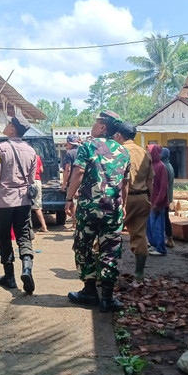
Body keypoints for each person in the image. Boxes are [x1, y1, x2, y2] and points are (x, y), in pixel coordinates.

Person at [65, 111, 130, 312]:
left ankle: (90, 292)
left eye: (96, 123)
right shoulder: (123, 151)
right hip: (113, 209)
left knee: (83, 247)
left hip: (89, 209)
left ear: (103, 127)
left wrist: (68, 198)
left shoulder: (87, 146)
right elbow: (125, 183)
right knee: (110, 251)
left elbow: (78, 172)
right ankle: (107, 299)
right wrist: (124, 205)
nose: (92, 126)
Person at [0, 114, 37, 294]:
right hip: (24, 201)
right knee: (24, 236)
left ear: (12, 129)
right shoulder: (31, 150)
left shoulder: (0, 148)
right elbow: (31, 180)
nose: (5, 126)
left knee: (3, 236)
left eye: (8, 124)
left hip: (4, 202)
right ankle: (27, 269)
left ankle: (10, 277)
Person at [114, 123, 154, 281]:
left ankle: (102, 272)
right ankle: (139, 274)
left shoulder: (119, 151)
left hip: (123, 199)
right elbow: (150, 179)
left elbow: (117, 180)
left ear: (119, 135)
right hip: (142, 197)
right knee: (140, 234)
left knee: (110, 232)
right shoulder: (144, 152)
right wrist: (149, 199)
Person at [146, 144, 168, 256]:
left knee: (158, 226)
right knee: (150, 226)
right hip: (151, 201)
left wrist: (158, 203)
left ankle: (161, 249)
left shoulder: (161, 166)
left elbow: (163, 187)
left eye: (148, 152)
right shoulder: (151, 165)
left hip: (157, 203)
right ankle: (154, 245)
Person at [61, 134, 81, 228]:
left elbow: (67, 170)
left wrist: (64, 183)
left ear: (69, 143)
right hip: (84, 181)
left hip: (73, 181)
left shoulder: (69, 153)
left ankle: (75, 224)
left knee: (72, 203)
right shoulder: (83, 151)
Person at [162, 147, 175, 249]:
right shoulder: (168, 165)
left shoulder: (164, 167)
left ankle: (165, 240)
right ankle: (169, 239)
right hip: (166, 197)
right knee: (165, 218)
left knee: (162, 219)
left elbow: (163, 185)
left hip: (163, 197)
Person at [32, 153, 48, 232]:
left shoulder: (25, 155)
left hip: (28, 181)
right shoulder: (38, 157)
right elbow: (41, 170)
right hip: (37, 181)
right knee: (37, 206)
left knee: (24, 204)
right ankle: (44, 226)